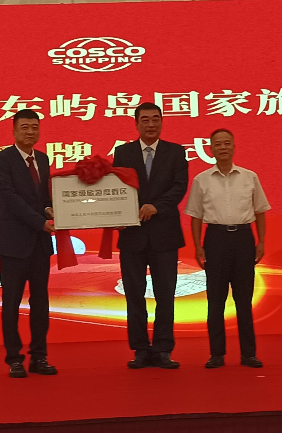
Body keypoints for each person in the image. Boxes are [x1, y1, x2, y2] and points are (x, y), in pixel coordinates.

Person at [184, 128, 270, 369]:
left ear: (234, 146)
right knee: (216, 300)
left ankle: (248, 354)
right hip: (215, 239)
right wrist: (198, 246)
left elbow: (260, 211)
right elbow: (195, 217)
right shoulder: (201, 180)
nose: (223, 147)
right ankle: (217, 354)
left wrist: (261, 241)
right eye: (218, 144)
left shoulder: (249, 177)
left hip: (243, 239)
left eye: (227, 143)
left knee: (244, 300)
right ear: (210, 149)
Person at [112, 102, 188, 369]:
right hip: (132, 235)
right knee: (134, 295)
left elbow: (179, 187)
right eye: (145, 119)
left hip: (164, 234)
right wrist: (117, 215)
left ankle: (163, 349)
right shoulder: (123, 153)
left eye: (156, 119)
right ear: (136, 123)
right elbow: (116, 189)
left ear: (162, 122)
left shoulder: (176, 152)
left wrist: (157, 206)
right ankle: (141, 349)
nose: (151, 124)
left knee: (165, 294)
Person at [0, 109, 57, 378]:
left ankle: (39, 357)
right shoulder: (2, 160)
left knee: (41, 302)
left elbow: (43, 198)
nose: (30, 132)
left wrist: (51, 210)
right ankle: (14, 359)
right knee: (12, 303)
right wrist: (40, 221)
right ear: (14, 130)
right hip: (13, 243)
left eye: (34, 127)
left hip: (39, 244)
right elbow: (10, 198)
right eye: (25, 127)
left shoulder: (42, 159)